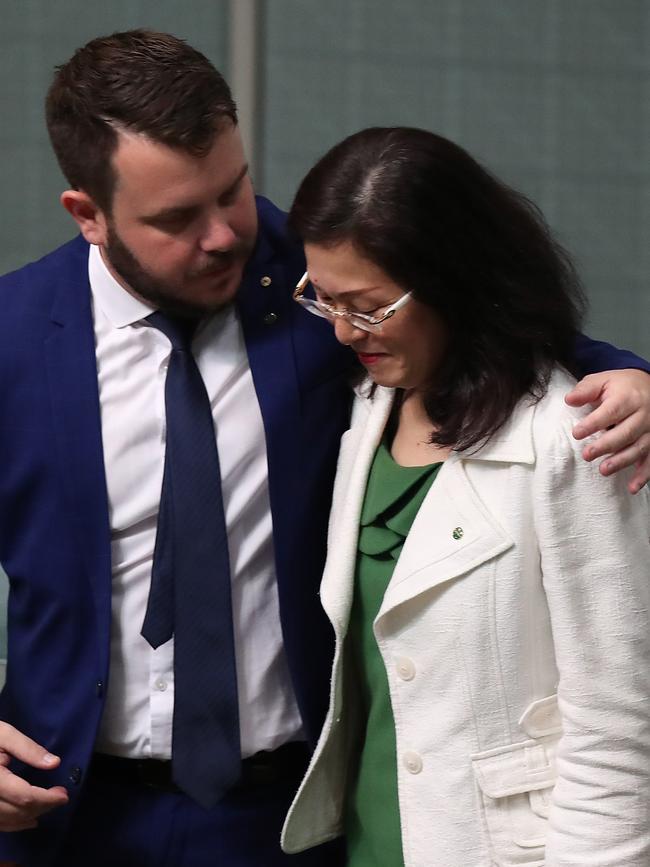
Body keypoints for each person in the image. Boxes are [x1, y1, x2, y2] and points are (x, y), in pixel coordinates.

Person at [0, 30, 647, 867]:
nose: (226, 235)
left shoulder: (318, 288)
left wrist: (632, 373)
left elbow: (490, 321)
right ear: (87, 213)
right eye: (176, 218)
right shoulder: (12, 339)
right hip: (65, 815)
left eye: (233, 190)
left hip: (288, 819)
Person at [280, 127, 650, 866]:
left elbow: (618, 724)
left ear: (454, 279)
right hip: (367, 839)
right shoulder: (364, 407)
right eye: (324, 300)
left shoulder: (572, 437)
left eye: (371, 307)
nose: (346, 331)